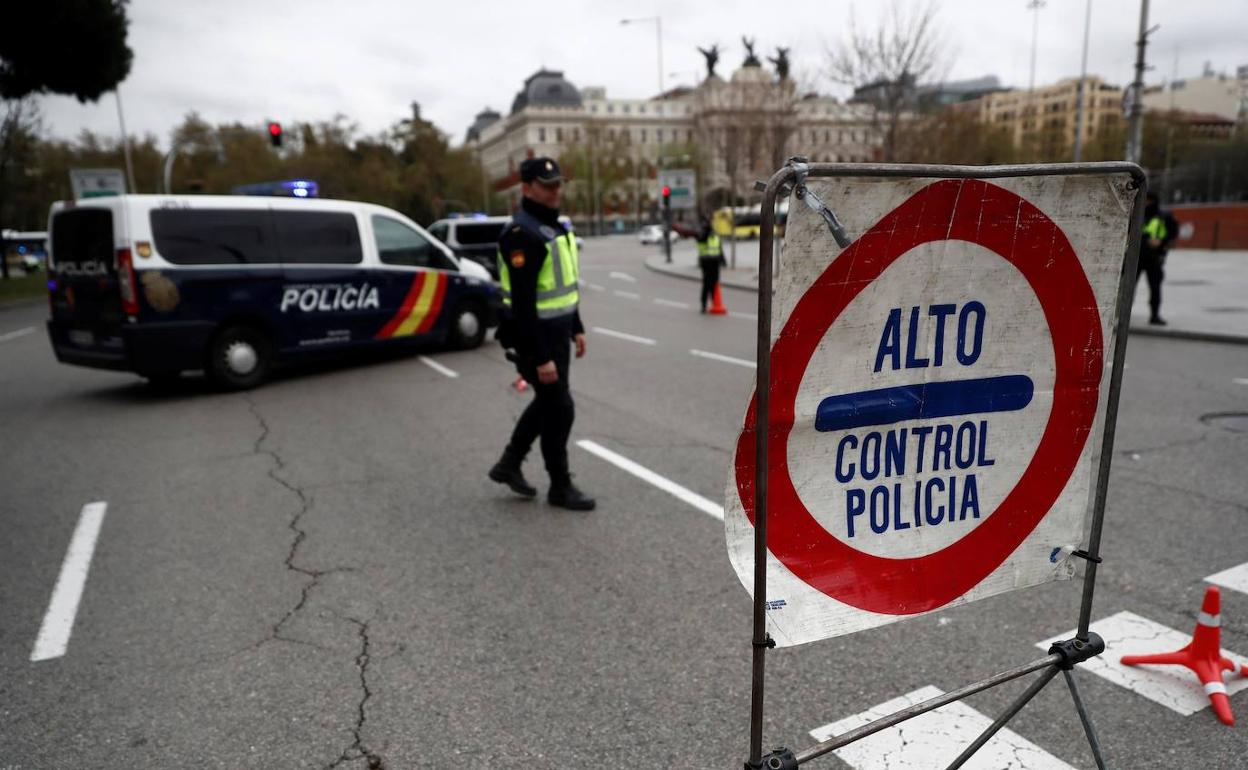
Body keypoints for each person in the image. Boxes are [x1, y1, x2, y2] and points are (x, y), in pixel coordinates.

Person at [488, 157, 596, 511]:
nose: (555, 191)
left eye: (557, 184)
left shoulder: (555, 227)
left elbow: (564, 286)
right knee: (560, 408)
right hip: (536, 338)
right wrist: (540, 357)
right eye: (547, 185)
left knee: (549, 403)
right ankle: (559, 486)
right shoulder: (523, 234)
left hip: (557, 333)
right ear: (527, 188)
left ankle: (508, 463)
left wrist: (576, 326)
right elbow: (522, 306)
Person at [1138, 192, 1179, 326]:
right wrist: (1145, 241)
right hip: (1136, 257)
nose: (1148, 203)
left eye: (1150, 200)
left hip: (1155, 258)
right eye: (1146, 200)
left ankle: (1155, 315)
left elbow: (1173, 233)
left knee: (1155, 288)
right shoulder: (1137, 214)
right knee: (1127, 289)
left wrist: (1161, 243)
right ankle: (1120, 314)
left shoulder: (1164, 216)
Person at [675, 215, 726, 312]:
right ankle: (704, 304)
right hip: (706, 262)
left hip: (715, 262)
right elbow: (700, 238)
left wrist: (722, 260)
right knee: (707, 284)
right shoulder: (702, 234)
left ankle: (713, 303)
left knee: (714, 284)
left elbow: (719, 248)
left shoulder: (714, 234)